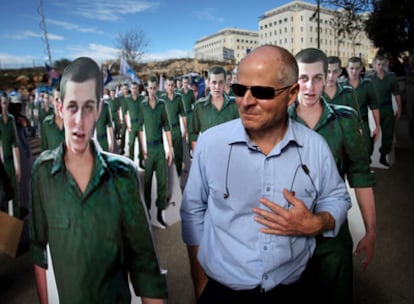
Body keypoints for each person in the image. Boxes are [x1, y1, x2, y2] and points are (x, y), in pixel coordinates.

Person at [181, 45, 350, 303]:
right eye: (240, 90)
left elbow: (337, 198)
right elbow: (193, 210)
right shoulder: (210, 145)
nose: (247, 101)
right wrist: (200, 281)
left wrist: (318, 223)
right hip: (222, 291)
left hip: (294, 288)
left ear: (292, 93)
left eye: (261, 92)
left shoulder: (315, 147)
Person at [29, 57, 168, 304]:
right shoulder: (42, 173)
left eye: (88, 107)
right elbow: (39, 250)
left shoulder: (123, 175)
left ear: (100, 110)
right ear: (60, 107)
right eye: (72, 107)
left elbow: (145, 264)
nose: (79, 121)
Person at [287, 48, 376, 304]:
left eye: (317, 78)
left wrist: (371, 231)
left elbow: (360, 176)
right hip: (290, 234)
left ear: (328, 78)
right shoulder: (281, 121)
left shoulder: (345, 120)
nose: (310, 87)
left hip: (333, 234)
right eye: (303, 78)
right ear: (295, 81)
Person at [138, 76, 174, 229]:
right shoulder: (143, 105)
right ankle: (147, 216)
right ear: (147, 89)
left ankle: (159, 216)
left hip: (160, 149)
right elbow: (139, 128)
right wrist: (142, 148)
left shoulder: (161, 105)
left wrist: (170, 148)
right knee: (146, 184)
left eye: (154, 88)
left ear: (157, 89)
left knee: (162, 182)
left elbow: (167, 127)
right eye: (150, 88)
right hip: (148, 149)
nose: (152, 91)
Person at [190, 66, 239, 151]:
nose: (217, 86)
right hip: (208, 154)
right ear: (208, 83)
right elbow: (194, 134)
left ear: (224, 83)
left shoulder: (235, 104)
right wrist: (196, 154)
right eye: (214, 82)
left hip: (231, 154)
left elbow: (241, 132)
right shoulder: (199, 107)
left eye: (220, 82)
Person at [366, 54, 402, 166]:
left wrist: (399, 108)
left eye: (382, 64)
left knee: (388, 133)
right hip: (374, 109)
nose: (380, 67)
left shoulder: (391, 76)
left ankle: (383, 156)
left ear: (385, 65)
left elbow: (396, 93)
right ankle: (367, 156)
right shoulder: (369, 78)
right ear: (374, 65)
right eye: (378, 64)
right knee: (371, 133)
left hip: (387, 108)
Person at [342, 56, 381, 157]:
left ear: (361, 69)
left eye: (357, 68)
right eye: (351, 68)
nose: (354, 71)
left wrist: (377, 126)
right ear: (347, 69)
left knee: (366, 152)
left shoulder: (367, 85)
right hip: (346, 125)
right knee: (347, 155)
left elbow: (374, 106)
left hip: (363, 124)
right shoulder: (341, 86)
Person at [161, 76, 187, 177]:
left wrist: (185, 130)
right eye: (168, 85)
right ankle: (167, 176)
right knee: (167, 153)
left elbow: (183, 115)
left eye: (172, 85)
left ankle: (179, 175)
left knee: (178, 153)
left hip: (176, 129)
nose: (170, 87)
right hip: (166, 130)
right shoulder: (162, 99)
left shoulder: (179, 97)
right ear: (165, 86)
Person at [0, 93, 21, 218]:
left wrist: (18, 166)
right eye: (2, 103)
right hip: (2, 163)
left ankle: (16, 224)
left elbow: (15, 143)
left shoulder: (11, 119)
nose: (4, 106)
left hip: (11, 161)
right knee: (4, 196)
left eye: (5, 103)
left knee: (15, 194)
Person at [125, 82, 144, 166]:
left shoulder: (142, 98)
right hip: (132, 125)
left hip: (140, 125)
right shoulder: (127, 99)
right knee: (131, 143)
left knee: (141, 143)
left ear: (138, 89)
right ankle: (131, 162)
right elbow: (125, 113)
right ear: (130, 89)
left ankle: (141, 162)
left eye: (135, 88)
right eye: (132, 88)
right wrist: (128, 125)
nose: (134, 90)